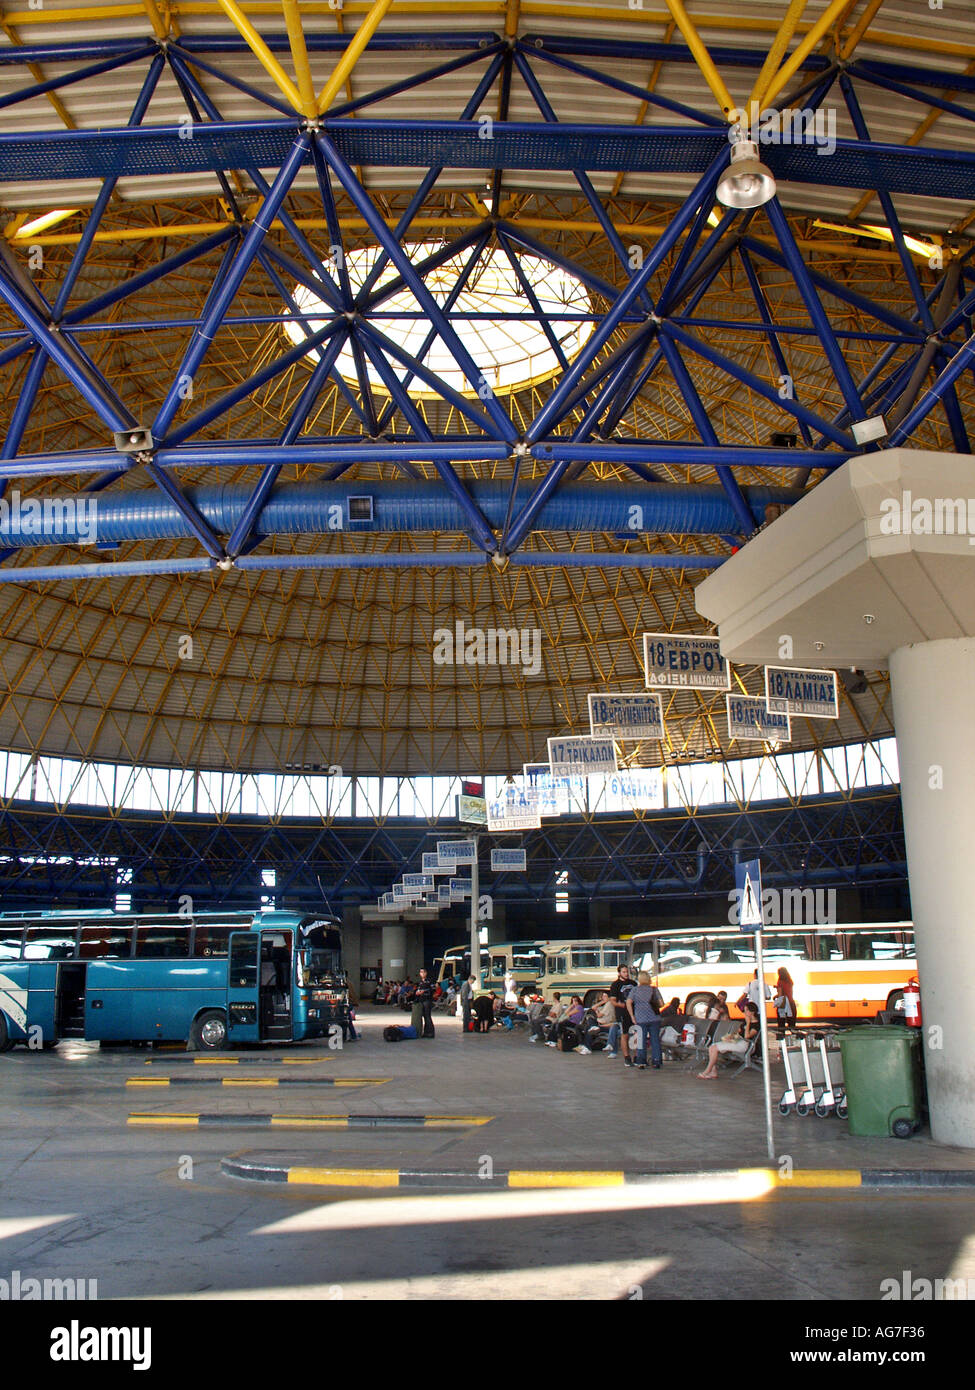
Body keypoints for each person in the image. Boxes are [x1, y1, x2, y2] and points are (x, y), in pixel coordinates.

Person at [698, 1001, 761, 1079]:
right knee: (712, 1047)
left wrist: (748, 1023)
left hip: (744, 1044)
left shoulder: (756, 1024)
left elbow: (747, 1036)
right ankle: (713, 1071)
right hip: (737, 1041)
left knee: (714, 1048)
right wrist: (730, 1036)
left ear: (752, 1012)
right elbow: (738, 1033)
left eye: (746, 1010)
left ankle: (707, 1071)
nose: (744, 1013)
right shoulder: (744, 1022)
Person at [627, 970, 665, 1070]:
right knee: (655, 1040)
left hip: (640, 1019)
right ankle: (656, 1061)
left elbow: (628, 1002)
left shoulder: (635, 990)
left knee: (641, 1041)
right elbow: (661, 1004)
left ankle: (641, 1062)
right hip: (654, 1019)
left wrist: (632, 1016)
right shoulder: (654, 990)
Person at [608, 963, 637, 1066]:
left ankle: (636, 1056)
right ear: (619, 973)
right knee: (625, 1035)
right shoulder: (615, 985)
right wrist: (621, 1005)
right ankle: (626, 1057)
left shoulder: (633, 983)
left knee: (636, 1034)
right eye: (624, 972)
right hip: (622, 1013)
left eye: (627, 972)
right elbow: (613, 1000)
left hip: (634, 1012)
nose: (626, 974)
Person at [774, 967, 796, 1037]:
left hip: (783, 1005)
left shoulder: (780, 981)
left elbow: (780, 995)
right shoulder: (790, 981)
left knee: (781, 1024)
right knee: (792, 1024)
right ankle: (794, 1040)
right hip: (791, 1003)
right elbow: (787, 992)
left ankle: (782, 1041)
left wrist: (776, 997)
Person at [413, 967, 435, 1038]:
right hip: (421, 1000)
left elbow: (431, 990)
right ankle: (426, 1032)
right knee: (424, 1016)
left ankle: (430, 1032)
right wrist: (417, 992)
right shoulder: (420, 982)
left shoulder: (429, 981)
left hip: (427, 1001)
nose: (421, 974)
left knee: (427, 1016)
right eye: (420, 972)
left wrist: (424, 992)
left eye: (423, 972)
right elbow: (418, 990)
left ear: (426, 973)